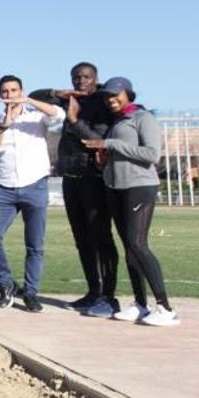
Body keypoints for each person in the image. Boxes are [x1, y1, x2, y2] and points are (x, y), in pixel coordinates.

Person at [83, 77, 179, 326]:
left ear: (128, 94)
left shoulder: (142, 118)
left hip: (140, 187)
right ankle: (140, 304)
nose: (111, 99)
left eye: (116, 95)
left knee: (138, 244)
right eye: (108, 96)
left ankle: (166, 308)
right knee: (129, 247)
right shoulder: (117, 122)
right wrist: (104, 161)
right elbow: (119, 154)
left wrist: (111, 143)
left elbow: (151, 154)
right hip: (115, 187)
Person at [32, 63, 119, 317]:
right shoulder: (68, 98)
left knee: (101, 238)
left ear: (96, 78)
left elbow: (96, 139)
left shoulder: (103, 102)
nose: (80, 81)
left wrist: (74, 120)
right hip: (70, 178)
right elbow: (35, 97)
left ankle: (108, 295)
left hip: (94, 178)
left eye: (85, 77)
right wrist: (60, 92)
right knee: (82, 240)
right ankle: (93, 291)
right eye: (76, 77)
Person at [0, 75, 65, 312]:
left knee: (34, 245)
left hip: (35, 185)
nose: (10, 95)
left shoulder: (35, 116)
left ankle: (31, 293)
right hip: (5, 188)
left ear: (21, 90)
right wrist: (4, 126)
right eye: (5, 92)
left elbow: (58, 114)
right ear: (0, 95)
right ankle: (6, 284)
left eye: (14, 90)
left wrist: (28, 100)